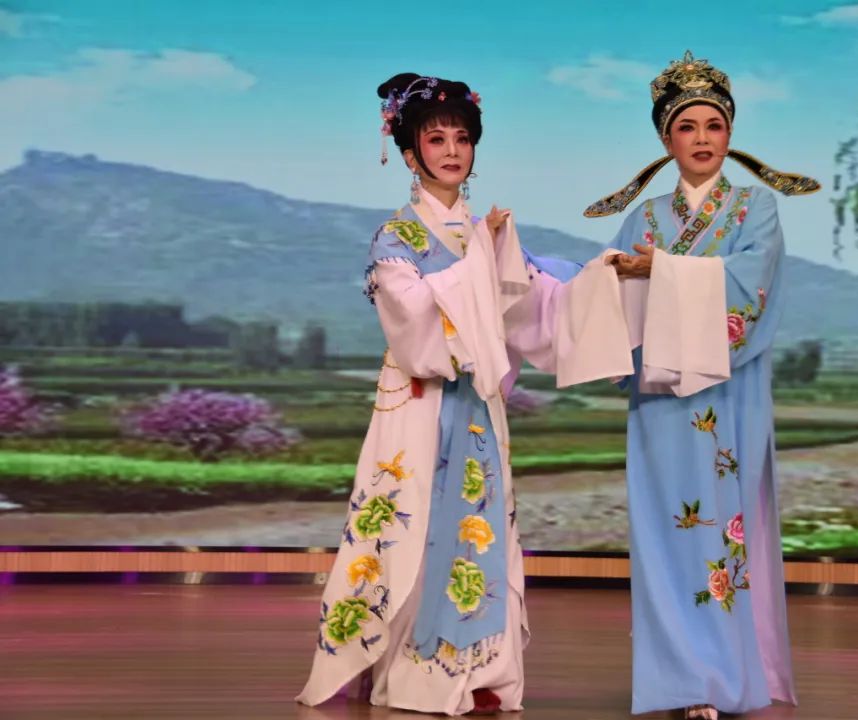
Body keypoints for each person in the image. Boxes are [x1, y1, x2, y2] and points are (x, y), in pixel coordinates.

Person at [296, 72, 628, 715]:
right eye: (435, 139)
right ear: (409, 153)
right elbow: (415, 326)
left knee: (480, 526)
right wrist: (483, 259)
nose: (452, 150)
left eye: (462, 138)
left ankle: (479, 668)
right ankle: (417, 671)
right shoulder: (397, 239)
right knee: (411, 527)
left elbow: (537, 308)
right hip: (418, 403)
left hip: (477, 407)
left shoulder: (485, 232)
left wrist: (604, 278)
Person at [583, 51, 819, 720]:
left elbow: (752, 286)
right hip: (660, 397)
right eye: (686, 127)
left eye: (714, 124)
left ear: (730, 133)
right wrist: (616, 275)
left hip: (727, 391)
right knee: (667, 533)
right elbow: (613, 299)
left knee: (720, 530)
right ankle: (682, 682)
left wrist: (663, 272)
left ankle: (724, 676)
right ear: (667, 140)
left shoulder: (755, 207)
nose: (703, 138)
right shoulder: (643, 218)